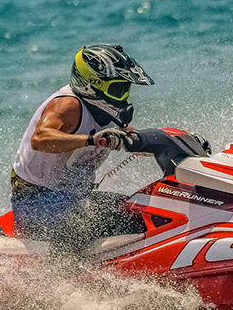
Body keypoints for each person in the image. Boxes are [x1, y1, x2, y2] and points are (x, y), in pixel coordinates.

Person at [10, 44, 154, 249]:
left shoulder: (107, 110)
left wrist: (172, 142)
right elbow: (40, 138)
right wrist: (91, 140)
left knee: (134, 210)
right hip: (35, 200)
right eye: (118, 88)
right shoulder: (68, 105)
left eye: (125, 89)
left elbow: (136, 140)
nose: (124, 96)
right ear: (93, 84)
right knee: (88, 218)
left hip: (75, 198)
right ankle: (60, 277)